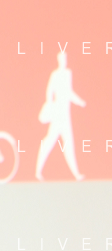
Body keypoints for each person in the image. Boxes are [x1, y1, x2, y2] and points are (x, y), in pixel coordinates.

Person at [35, 51, 86, 181]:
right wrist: (50, 106)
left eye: (65, 58)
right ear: (59, 60)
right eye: (62, 58)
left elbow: (68, 92)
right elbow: (49, 91)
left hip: (65, 115)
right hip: (58, 115)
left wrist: (79, 101)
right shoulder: (55, 74)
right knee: (49, 142)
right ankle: (38, 171)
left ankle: (76, 174)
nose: (64, 61)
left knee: (68, 144)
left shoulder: (68, 73)